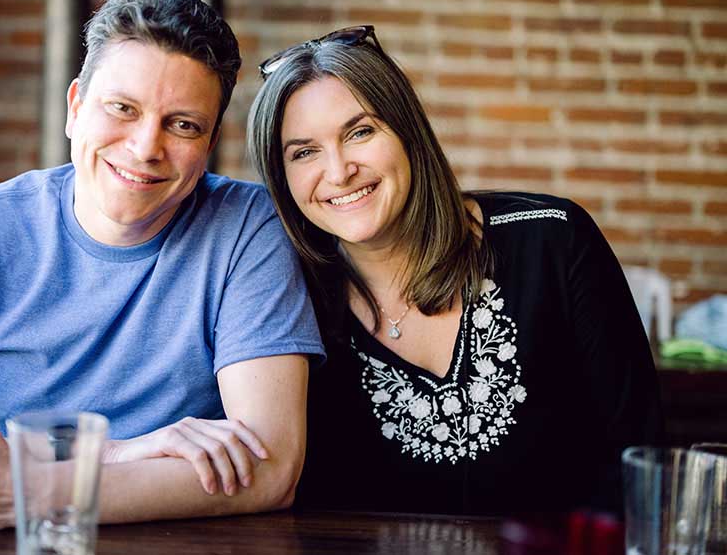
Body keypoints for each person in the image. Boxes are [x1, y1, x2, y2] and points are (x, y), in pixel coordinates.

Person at [0, 0, 325, 532]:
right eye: (122, 108)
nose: (145, 147)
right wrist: (114, 453)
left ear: (209, 144)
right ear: (75, 108)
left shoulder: (247, 229)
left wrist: (25, 489)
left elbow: (271, 468)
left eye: (182, 124)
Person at [245, 25, 663, 515]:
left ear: (408, 132)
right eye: (304, 152)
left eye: (360, 132)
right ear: (282, 176)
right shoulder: (282, 294)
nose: (338, 172)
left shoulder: (554, 239)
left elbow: (639, 461)